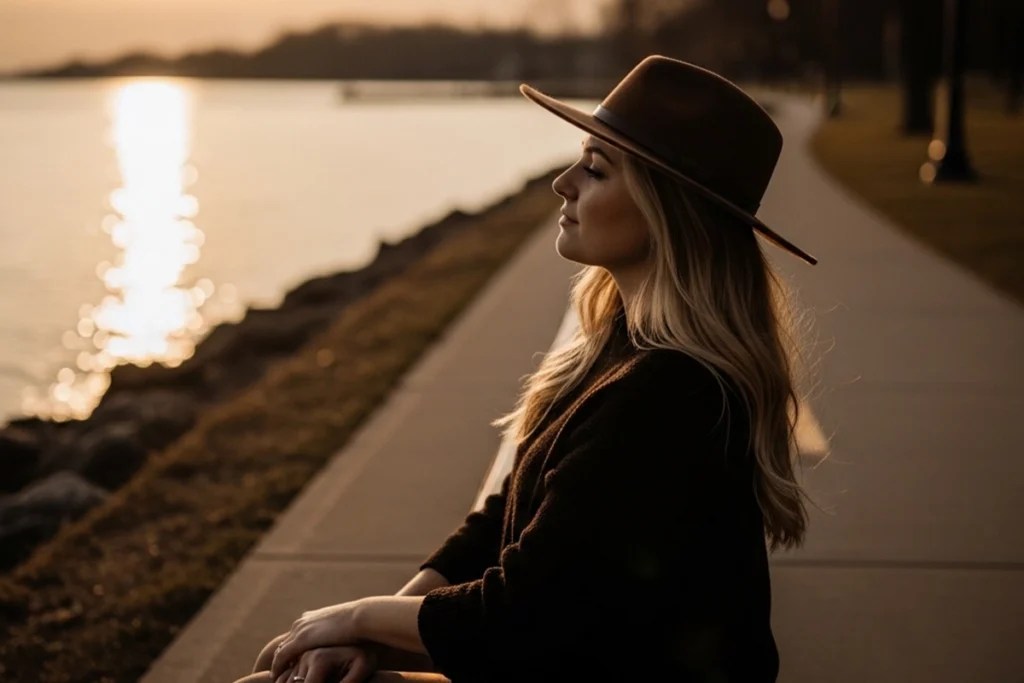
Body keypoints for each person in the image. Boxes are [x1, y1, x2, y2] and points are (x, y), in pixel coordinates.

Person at [238, 54, 819, 683]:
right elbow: (504, 521)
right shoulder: (621, 344)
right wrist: (374, 634)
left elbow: (523, 617)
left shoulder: (669, 396)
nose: (562, 183)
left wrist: (355, 618)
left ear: (666, 210)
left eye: (595, 169)